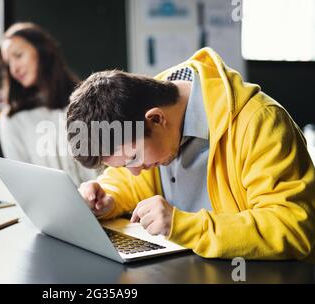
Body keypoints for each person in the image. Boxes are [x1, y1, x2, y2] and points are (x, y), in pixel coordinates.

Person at [66, 47, 315, 260]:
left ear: (155, 119)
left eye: (133, 158)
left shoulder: (261, 121)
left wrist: (182, 225)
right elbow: (131, 182)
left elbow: (293, 227)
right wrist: (107, 197)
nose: (134, 170)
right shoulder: (151, 113)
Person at [0, 22, 98, 186]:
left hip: (104, 204)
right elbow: (22, 182)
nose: (14, 69)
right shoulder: (12, 119)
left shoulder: (89, 100)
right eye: (8, 64)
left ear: (42, 50)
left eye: (18, 55)